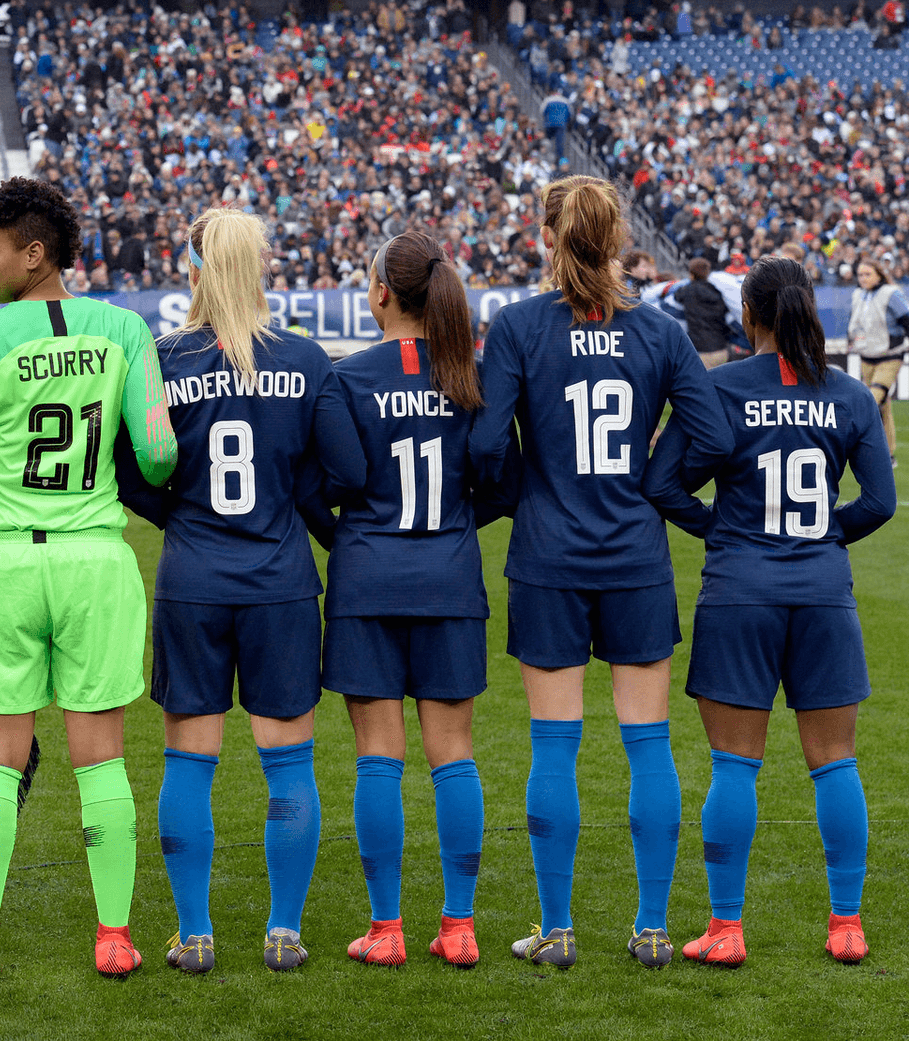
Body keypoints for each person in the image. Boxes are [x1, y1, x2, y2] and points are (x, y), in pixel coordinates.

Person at [470, 176, 731, 968]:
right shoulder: (658, 331)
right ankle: (652, 929)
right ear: (618, 239)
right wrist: (655, 479)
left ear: (546, 235)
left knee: (555, 749)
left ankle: (558, 931)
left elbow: (485, 447)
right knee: (648, 747)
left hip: (548, 560)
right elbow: (711, 435)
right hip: (635, 558)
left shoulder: (515, 326)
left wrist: (531, 493)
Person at [0, 177, 178, 980]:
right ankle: (115, 937)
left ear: (35, 255)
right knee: (100, 758)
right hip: (95, 559)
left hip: (1, 562)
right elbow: (161, 454)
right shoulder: (127, 330)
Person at [643, 256, 893, 968]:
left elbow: (662, 485)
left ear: (747, 317)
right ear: (808, 309)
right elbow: (879, 502)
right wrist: (818, 538)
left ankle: (726, 931)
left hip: (738, 590)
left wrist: (720, 529)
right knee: (836, 764)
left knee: (733, 767)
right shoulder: (846, 394)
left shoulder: (718, 388)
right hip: (822, 593)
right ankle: (846, 924)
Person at [135, 207, 361, 976]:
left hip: (192, 579)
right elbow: (344, 471)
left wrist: (184, 513)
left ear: (193, 268)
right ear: (260, 268)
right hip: (279, 581)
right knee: (289, 764)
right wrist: (290, 489)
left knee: (188, 762)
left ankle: (195, 933)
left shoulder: (161, 357)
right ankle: (284, 932)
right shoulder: (305, 356)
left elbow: (137, 473)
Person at [325, 230, 510, 968]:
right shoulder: (473, 374)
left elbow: (334, 484)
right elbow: (505, 481)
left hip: (368, 578)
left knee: (378, 757)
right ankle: (459, 929)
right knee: (454, 757)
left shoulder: (349, 377)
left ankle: (387, 931)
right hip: (450, 576)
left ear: (379, 294)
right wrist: (457, 523)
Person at [847, 258, 907, 465]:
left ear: (879, 275)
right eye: (860, 275)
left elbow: (906, 318)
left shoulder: (891, 294)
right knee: (883, 406)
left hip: (890, 355)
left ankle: (857, 445)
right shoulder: (857, 294)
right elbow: (854, 320)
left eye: (868, 274)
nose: (863, 279)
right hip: (867, 356)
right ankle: (888, 454)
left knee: (872, 398)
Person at [680, 257, 732, 369]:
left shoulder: (688, 290)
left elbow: (675, 296)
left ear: (691, 272)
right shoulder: (716, 291)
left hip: (702, 350)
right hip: (722, 348)